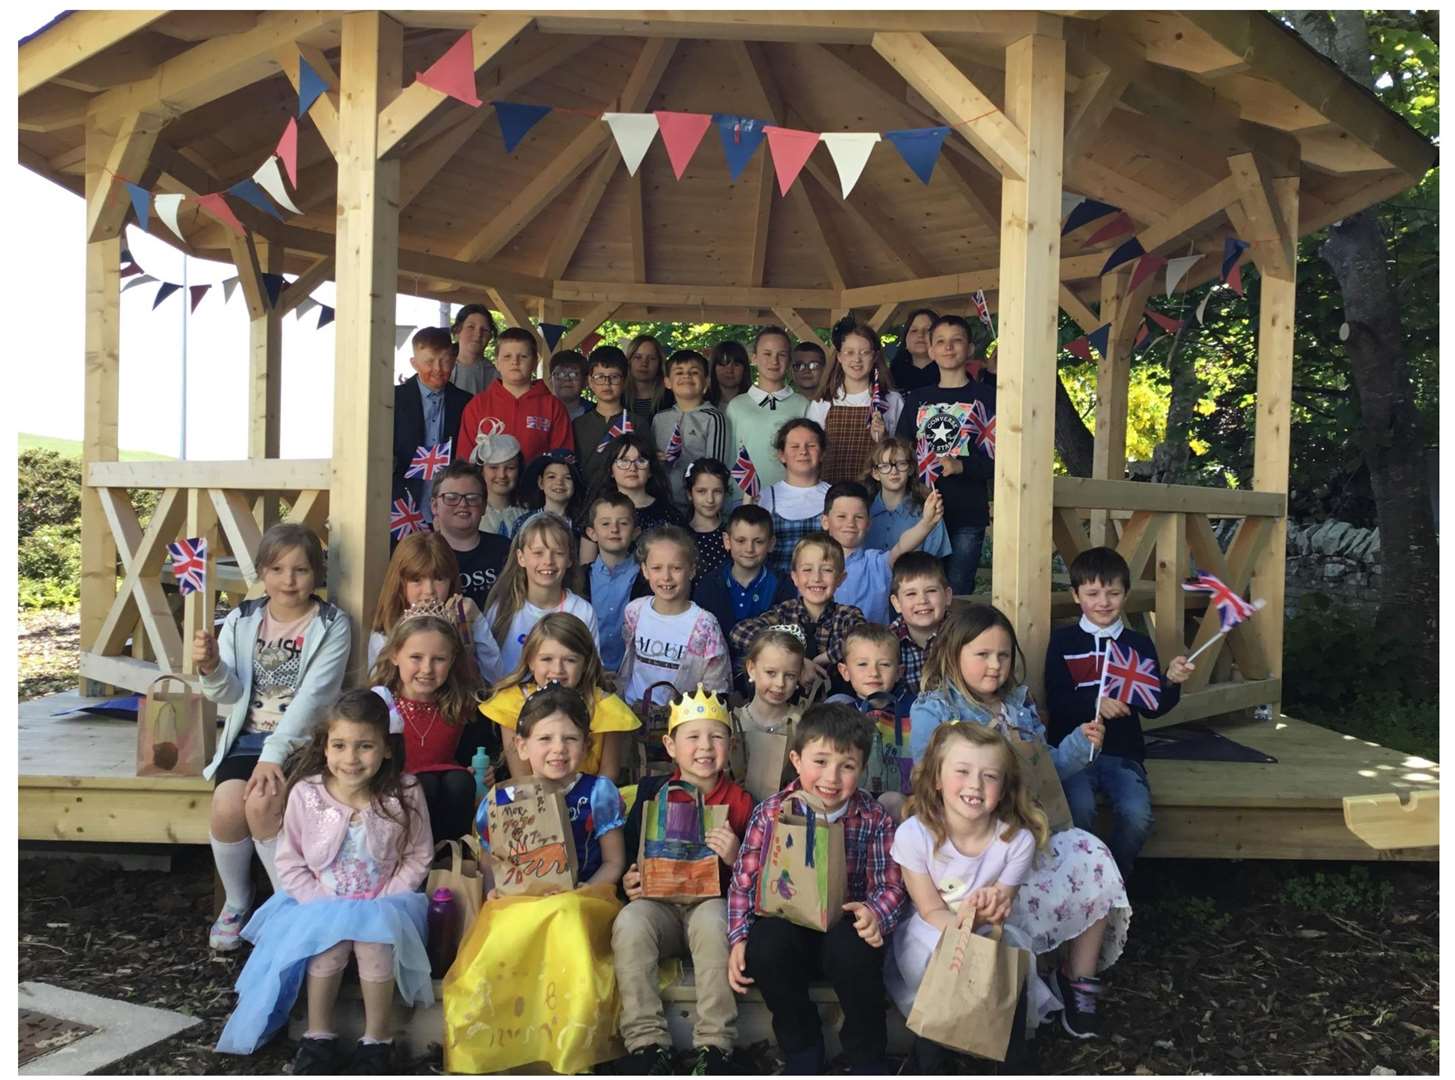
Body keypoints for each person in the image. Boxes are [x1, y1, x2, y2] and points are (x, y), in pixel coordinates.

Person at [909, 604, 1132, 1039]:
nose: (995, 665)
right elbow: (925, 779)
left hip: (1029, 829)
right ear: (954, 653)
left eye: (1004, 655)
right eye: (982, 654)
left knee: (1092, 853)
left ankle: (1078, 980)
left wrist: (1078, 745)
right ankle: (1020, 982)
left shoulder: (1019, 702)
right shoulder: (933, 709)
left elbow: (1043, 768)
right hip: (971, 844)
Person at [214, 689, 432, 1073]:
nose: (351, 758)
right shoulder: (307, 794)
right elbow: (290, 858)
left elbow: (418, 854)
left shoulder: (405, 792)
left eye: (365, 746)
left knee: (375, 945)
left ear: (385, 749)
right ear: (326, 748)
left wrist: (391, 896)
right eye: (340, 745)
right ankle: (318, 1036)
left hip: (383, 903)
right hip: (320, 901)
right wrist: (317, 901)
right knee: (327, 947)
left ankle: (376, 1041)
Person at [443, 686, 627, 1075]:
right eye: (545, 738)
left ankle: (568, 1047)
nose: (558, 748)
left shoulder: (597, 792)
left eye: (570, 739)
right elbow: (494, 860)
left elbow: (614, 862)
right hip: (521, 899)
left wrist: (587, 888)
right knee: (502, 930)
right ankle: (504, 1047)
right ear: (522, 747)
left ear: (586, 745)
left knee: (565, 915)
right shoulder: (502, 799)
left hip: (583, 897)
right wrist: (496, 886)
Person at [193, 524, 351, 953]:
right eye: (277, 569)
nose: (289, 580)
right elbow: (229, 693)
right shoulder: (242, 620)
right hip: (247, 741)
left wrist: (274, 755)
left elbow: (315, 700)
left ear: (316, 574)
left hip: (301, 743)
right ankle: (238, 902)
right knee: (228, 804)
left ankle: (289, 902)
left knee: (262, 800)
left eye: (301, 570)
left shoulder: (331, 624)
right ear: (262, 572)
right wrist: (210, 669)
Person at [726, 703, 906, 1075]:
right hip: (792, 931)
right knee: (766, 944)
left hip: (845, 932)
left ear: (862, 768)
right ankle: (802, 1048)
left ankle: (866, 1055)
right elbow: (745, 879)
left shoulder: (872, 817)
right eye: (820, 761)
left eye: (847, 766)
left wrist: (875, 914)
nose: (832, 777)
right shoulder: (773, 812)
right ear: (796, 759)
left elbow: (889, 884)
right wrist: (739, 938)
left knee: (855, 947)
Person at [886, 722, 1045, 1073]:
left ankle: (1011, 1057)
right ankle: (929, 1058)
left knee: (1010, 959)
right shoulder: (915, 835)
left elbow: (1003, 904)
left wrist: (993, 903)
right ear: (938, 780)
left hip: (989, 930)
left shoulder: (1016, 842)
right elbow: (928, 908)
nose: (975, 785)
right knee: (939, 962)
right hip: (934, 929)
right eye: (962, 772)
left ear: (1003, 789)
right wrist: (961, 933)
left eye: (990, 776)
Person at [613, 688, 754, 1075]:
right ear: (670, 745)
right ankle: (645, 1042)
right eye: (693, 737)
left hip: (710, 905)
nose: (705, 747)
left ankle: (715, 1044)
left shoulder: (742, 802)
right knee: (630, 922)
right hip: (660, 907)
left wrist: (735, 854)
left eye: (716, 736)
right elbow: (629, 856)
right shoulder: (651, 794)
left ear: (731, 744)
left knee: (714, 920)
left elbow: (758, 877)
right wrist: (629, 881)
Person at [1045, 547, 1193, 877]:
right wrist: (1095, 705)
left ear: (1125, 594)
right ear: (1076, 594)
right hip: (1074, 751)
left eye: (1113, 593)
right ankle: (1078, 881)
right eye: (1093, 593)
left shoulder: (1138, 644)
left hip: (1123, 754)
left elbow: (1154, 708)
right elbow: (1056, 699)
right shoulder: (1062, 642)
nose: (1103, 602)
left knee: (1137, 815)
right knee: (1078, 811)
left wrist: (1169, 681)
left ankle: (1114, 882)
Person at [895, 314, 997, 595]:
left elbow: (1002, 459)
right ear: (930, 350)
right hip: (919, 511)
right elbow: (901, 450)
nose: (948, 347)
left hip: (967, 512)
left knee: (958, 591)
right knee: (920, 588)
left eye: (956, 341)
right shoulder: (917, 398)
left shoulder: (988, 396)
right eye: (940, 341)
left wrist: (963, 468)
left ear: (970, 349)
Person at [480, 613, 640, 783]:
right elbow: (522, 777)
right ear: (531, 661)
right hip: (535, 799)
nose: (557, 669)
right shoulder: (513, 703)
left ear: (585, 663)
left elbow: (608, 775)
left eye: (570, 660)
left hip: (590, 800)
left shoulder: (606, 707)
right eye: (546, 659)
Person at [366, 613, 482, 843]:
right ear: (395, 655)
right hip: (395, 802)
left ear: (452, 660)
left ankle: (450, 859)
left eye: (438, 659)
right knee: (422, 784)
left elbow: (475, 755)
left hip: (449, 802)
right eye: (416, 657)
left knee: (459, 781)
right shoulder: (381, 705)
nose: (427, 668)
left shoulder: (460, 706)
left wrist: (479, 770)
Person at [730, 533, 865, 700]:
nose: (816, 578)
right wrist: (798, 661)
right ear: (794, 577)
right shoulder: (784, 613)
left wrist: (823, 659)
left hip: (834, 709)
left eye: (827, 570)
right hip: (784, 703)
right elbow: (739, 632)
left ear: (840, 578)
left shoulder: (848, 615)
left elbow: (859, 641)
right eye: (807, 570)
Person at [367, 531, 500, 686]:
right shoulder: (385, 631)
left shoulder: (464, 617)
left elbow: (496, 676)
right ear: (400, 583)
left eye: (439, 579)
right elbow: (379, 688)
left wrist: (475, 622)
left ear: (451, 581)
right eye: (417, 580)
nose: (429, 590)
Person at [619, 526, 732, 702]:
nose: (666, 577)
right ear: (645, 570)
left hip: (682, 720)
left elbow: (715, 684)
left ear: (692, 570)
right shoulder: (635, 611)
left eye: (676, 568)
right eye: (657, 568)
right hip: (633, 713)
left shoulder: (704, 624)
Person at [483, 513, 599, 677]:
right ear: (521, 557)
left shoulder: (582, 611)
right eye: (538, 553)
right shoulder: (502, 608)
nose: (548, 561)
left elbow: (591, 672)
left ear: (570, 559)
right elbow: (488, 669)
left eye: (558, 553)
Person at [820, 480, 942, 625]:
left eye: (858, 517)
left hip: (875, 645)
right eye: (841, 516)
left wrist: (927, 523)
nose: (850, 523)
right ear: (825, 521)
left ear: (868, 523)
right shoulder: (812, 566)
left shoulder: (877, 563)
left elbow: (902, 546)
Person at [828, 622, 914, 812]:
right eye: (862, 664)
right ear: (845, 672)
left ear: (899, 672)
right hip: (852, 799)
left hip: (903, 800)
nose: (873, 673)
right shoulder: (841, 710)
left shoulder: (915, 710)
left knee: (893, 801)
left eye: (884, 664)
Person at [456, 326, 574, 462]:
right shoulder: (477, 405)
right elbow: (464, 461)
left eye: (523, 356)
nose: (515, 362)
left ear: (535, 362)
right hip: (486, 483)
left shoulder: (553, 407)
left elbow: (563, 461)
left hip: (536, 483)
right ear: (497, 363)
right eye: (507, 356)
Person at [806, 323, 903, 484]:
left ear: (875, 356)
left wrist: (884, 438)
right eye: (849, 352)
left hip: (877, 493)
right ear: (839, 357)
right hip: (831, 493)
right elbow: (811, 453)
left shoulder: (891, 401)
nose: (857, 359)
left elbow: (902, 455)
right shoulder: (823, 402)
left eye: (864, 352)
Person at [395, 326, 472, 526]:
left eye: (445, 361)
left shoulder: (466, 402)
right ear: (414, 363)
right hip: (401, 505)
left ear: (454, 361)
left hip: (451, 505)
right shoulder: (393, 400)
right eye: (429, 362)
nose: (438, 369)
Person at [693, 503, 797, 650]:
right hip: (718, 666)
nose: (749, 549)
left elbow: (788, 637)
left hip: (769, 666)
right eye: (741, 541)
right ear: (727, 541)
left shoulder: (784, 587)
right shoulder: (708, 586)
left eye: (758, 542)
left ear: (771, 543)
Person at [579, 432, 685, 565]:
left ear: (650, 470)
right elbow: (586, 568)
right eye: (623, 461)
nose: (632, 468)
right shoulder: (598, 511)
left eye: (641, 461)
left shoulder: (670, 515)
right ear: (611, 470)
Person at [724, 327, 808, 493]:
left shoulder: (803, 404)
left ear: (790, 360)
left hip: (790, 496)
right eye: (767, 354)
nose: (774, 361)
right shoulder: (737, 405)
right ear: (754, 358)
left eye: (781, 354)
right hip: (745, 498)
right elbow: (730, 456)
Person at [730, 626, 806, 800]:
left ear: (799, 676)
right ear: (751, 669)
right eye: (771, 673)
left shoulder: (803, 724)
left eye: (790, 675)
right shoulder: (732, 722)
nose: (780, 683)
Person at [579, 492, 650, 672]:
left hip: (632, 675)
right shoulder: (578, 578)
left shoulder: (648, 578)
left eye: (623, 523)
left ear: (636, 532)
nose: (614, 529)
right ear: (592, 533)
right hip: (588, 673)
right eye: (605, 523)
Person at [427, 462, 511, 611]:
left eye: (472, 497)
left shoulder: (506, 549)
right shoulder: (422, 554)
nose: (463, 504)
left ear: (484, 505)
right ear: (434, 506)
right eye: (451, 497)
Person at [652, 349, 730, 511]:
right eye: (679, 372)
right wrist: (655, 458)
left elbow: (716, 469)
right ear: (667, 382)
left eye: (694, 372)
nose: (686, 376)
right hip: (662, 503)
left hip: (700, 507)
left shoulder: (714, 418)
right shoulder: (659, 419)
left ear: (706, 381)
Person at [757, 418, 831, 577]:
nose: (803, 451)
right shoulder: (765, 497)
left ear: (822, 453)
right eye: (795, 446)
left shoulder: (834, 496)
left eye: (811, 446)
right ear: (782, 455)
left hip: (821, 589)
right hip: (776, 592)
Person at [573, 346, 651, 495]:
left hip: (628, 499)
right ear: (590, 381)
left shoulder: (637, 423)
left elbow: (645, 466)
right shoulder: (578, 424)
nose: (607, 383)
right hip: (586, 499)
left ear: (625, 380)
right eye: (600, 377)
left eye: (614, 377)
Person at [862, 436, 952, 561]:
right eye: (885, 466)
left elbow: (934, 567)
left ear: (910, 469)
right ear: (876, 473)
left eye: (901, 464)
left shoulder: (928, 512)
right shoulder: (862, 511)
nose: (894, 471)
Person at [886, 552, 952, 699]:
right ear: (896, 603)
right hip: (902, 715)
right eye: (911, 594)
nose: (922, 600)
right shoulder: (887, 641)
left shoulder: (961, 635)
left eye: (931, 591)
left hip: (956, 715)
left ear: (947, 596)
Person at [511, 447, 585, 539]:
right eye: (551, 477)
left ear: (575, 484)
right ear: (541, 482)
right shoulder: (524, 523)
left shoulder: (582, 525)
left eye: (568, 478)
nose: (559, 482)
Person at [684, 457, 730, 584]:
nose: (710, 499)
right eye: (701, 491)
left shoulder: (732, 534)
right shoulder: (679, 535)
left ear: (725, 494)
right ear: (689, 494)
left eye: (717, 491)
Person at [472, 433, 527, 538]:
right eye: (493, 467)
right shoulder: (470, 512)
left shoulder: (528, 514)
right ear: (481, 470)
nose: (502, 475)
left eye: (510, 468)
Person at [449, 303, 499, 396]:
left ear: (490, 336)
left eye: (484, 330)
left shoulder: (496, 377)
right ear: (457, 331)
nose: (478, 334)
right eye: (471, 327)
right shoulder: (441, 368)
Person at [887, 307, 940, 393]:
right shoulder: (889, 378)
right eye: (914, 330)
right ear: (905, 339)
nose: (920, 335)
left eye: (927, 330)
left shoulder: (950, 373)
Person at [625, 333, 673, 418]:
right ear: (629, 361)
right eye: (638, 357)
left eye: (652, 358)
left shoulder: (672, 398)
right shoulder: (618, 397)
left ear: (660, 363)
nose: (644, 363)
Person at [707, 339, 750, 410]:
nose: (729, 370)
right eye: (723, 364)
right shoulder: (702, 403)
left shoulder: (756, 403)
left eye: (736, 365)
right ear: (713, 368)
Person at [548, 349, 590, 419]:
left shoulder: (598, 414)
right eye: (560, 374)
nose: (567, 379)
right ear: (550, 380)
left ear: (585, 381)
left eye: (574, 374)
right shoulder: (538, 411)